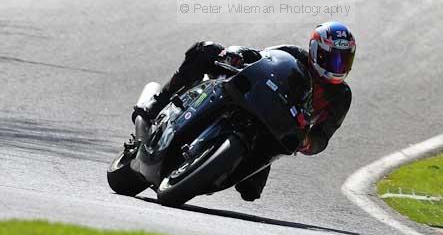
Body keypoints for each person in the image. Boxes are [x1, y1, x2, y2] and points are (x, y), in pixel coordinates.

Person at [130, 21, 356, 202]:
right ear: (316, 51)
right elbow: (259, 58)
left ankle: (205, 169)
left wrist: (307, 141)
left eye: (344, 60)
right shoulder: (293, 54)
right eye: (333, 58)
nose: (338, 66)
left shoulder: (340, 97)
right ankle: (158, 103)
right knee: (207, 51)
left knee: (251, 191)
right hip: (253, 100)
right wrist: (237, 54)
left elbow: (323, 136)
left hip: (276, 132)